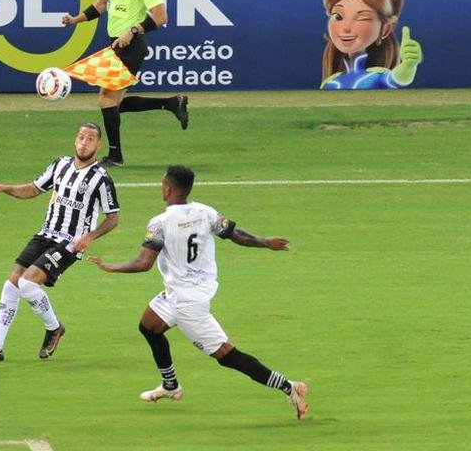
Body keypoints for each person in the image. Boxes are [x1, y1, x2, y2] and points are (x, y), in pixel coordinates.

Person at [88, 165, 308, 418]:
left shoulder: (160, 223)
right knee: (149, 326)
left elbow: (143, 263)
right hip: (183, 292)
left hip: (186, 303)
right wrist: (265, 242)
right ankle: (170, 385)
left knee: (227, 355)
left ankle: (289, 387)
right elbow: (236, 234)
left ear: (167, 189)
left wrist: (111, 267)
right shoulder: (206, 212)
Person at [0, 122, 120, 364]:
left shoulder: (101, 179)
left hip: (70, 243)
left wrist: (89, 237)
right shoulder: (60, 164)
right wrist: (4, 188)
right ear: (75, 140)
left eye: (90, 139)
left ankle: (54, 327)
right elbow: (33, 189)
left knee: (27, 284)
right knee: (11, 285)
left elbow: (113, 217)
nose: (84, 143)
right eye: (81, 137)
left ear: (99, 144)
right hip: (45, 234)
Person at [61, 0, 189, 167]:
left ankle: (115, 156)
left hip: (132, 46)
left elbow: (161, 17)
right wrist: (75, 19)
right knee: (114, 102)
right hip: (116, 44)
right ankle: (172, 103)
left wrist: (133, 30)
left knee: (106, 99)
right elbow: (101, 4)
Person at [320, 0, 423, 90]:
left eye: (362, 18)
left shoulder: (375, 77)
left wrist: (408, 66)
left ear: (385, 29)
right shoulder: (331, 82)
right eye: (338, 16)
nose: (346, 27)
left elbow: (396, 79)